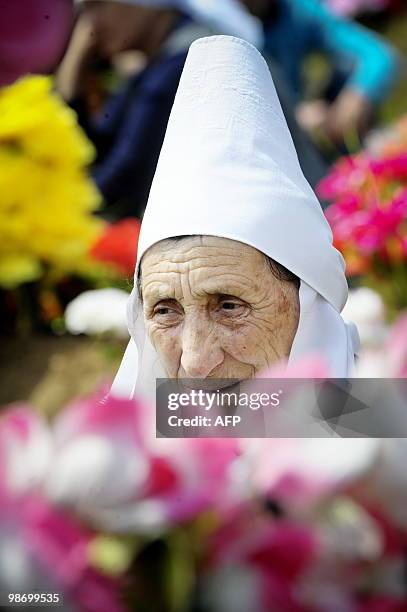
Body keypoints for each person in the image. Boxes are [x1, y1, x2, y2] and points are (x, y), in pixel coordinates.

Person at [111, 35, 359, 402]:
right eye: (165, 312)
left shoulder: (387, 444)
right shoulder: (120, 452)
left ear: (309, 301)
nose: (195, 362)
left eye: (229, 306)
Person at [56, 0, 263, 217]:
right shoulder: (157, 62)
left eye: (98, 5)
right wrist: (74, 65)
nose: (89, 24)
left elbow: (121, 179)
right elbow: (96, 146)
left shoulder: (189, 60)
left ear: (145, 7)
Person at [242, 0, 400, 142]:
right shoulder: (227, 31)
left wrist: (358, 93)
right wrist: (293, 118)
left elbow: (378, 56)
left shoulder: (296, 10)